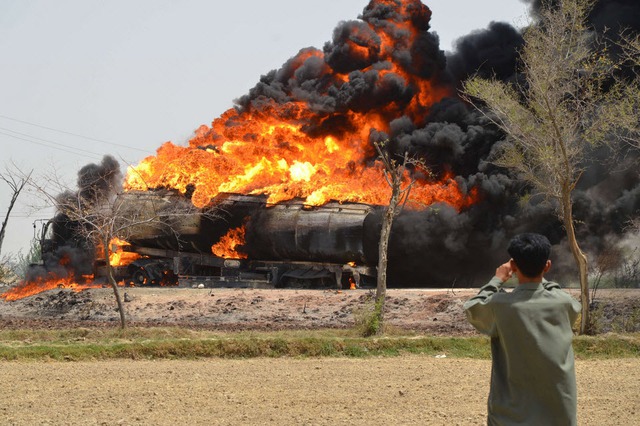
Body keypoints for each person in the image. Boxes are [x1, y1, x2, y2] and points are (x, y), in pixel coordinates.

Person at [464, 233, 582, 426]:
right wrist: (539, 276)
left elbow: (473, 308)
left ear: (514, 266)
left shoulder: (499, 305)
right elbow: (557, 294)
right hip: (558, 414)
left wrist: (496, 280)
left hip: (510, 416)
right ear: (547, 266)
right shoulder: (564, 303)